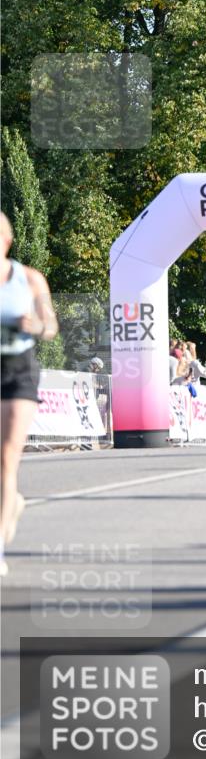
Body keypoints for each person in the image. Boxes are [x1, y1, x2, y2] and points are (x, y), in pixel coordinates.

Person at [0, 212, 58, 577]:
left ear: (5, 240)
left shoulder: (29, 278)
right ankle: (12, 503)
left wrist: (36, 325)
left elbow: (50, 325)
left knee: (7, 457)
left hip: (18, 370)